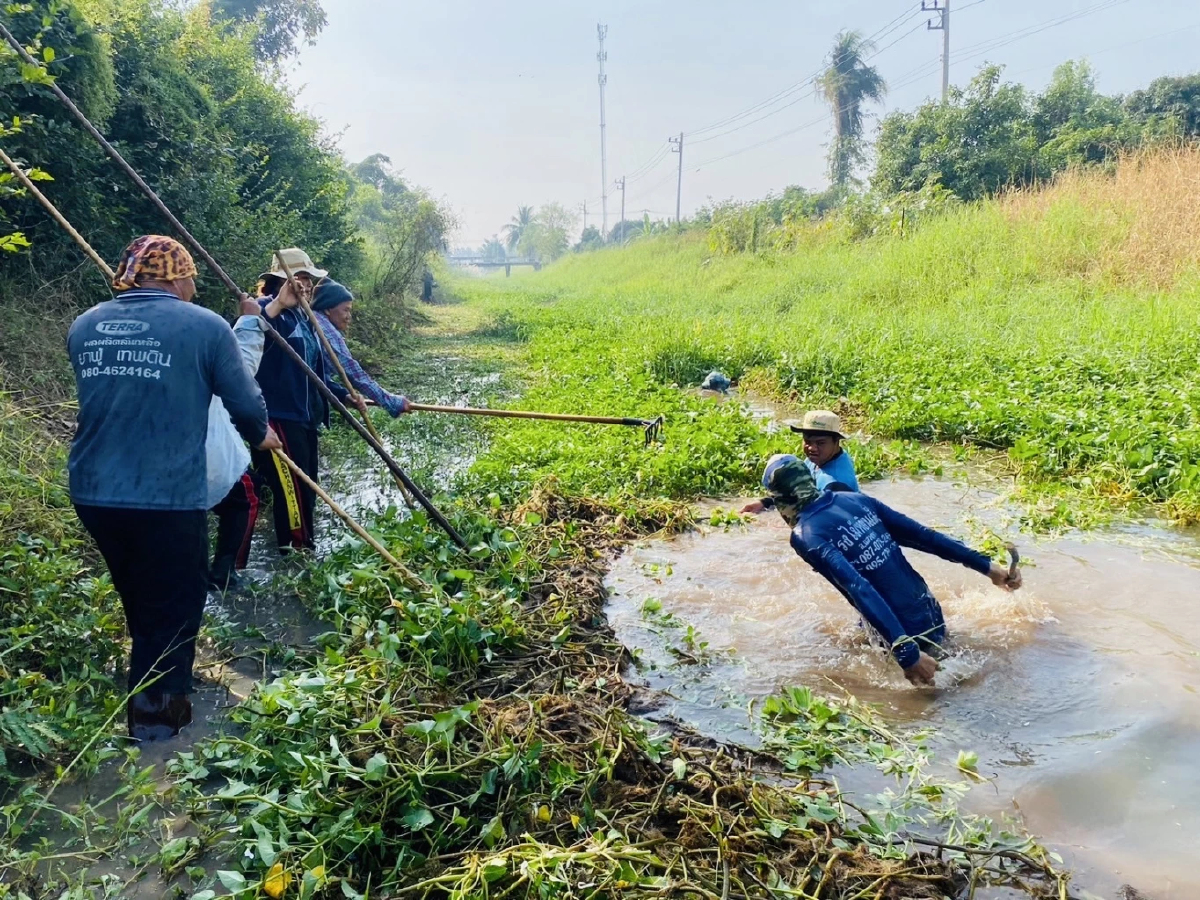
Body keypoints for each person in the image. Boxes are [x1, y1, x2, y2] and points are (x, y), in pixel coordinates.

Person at [67, 235, 279, 741]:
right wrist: (259, 435)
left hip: (93, 490)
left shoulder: (85, 324)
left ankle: (149, 685)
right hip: (164, 495)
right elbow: (246, 405)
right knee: (178, 605)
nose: (192, 288)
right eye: (191, 280)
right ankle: (157, 733)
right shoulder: (204, 325)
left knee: (140, 592)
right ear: (178, 277)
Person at [761, 454, 1020, 686]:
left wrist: (906, 652)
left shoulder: (806, 535)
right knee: (952, 664)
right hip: (927, 608)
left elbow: (858, 586)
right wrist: (987, 567)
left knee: (932, 702)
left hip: (904, 631)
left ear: (782, 499)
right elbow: (924, 537)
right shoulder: (853, 499)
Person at [249, 248, 360, 553]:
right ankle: (295, 553)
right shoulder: (266, 311)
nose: (306, 285)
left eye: (309, 280)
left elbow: (312, 373)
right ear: (280, 281)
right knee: (292, 489)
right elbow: (247, 334)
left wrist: (341, 395)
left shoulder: (303, 316)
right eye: (299, 278)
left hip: (305, 415)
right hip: (278, 419)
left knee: (308, 485)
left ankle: (304, 545)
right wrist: (276, 304)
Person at [206, 296, 269, 593]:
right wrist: (258, 432)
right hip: (201, 445)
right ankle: (224, 573)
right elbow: (239, 370)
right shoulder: (200, 329)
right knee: (245, 495)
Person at [310, 279, 413, 418]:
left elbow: (318, 376)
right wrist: (392, 401)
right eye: (346, 310)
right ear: (328, 309)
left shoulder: (313, 321)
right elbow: (353, 372)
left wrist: (343, 395)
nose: (349, 317)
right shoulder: (325, 331)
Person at [741, 410, 859, 514]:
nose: (812, 448)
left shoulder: (836, 485)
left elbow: (824, 522)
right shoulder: (821, 458)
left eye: (820, 443)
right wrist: (764, 503)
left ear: (836, 442)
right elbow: (798, 491)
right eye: (808, 441)